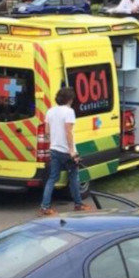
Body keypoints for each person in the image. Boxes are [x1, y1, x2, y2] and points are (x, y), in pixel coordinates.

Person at [39, 88, 91, 216]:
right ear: (70, 99)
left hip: (54, 149)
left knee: (52, 178)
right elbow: (68, 132)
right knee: (74, 177)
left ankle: (45, 207)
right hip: (66, 151)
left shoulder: (50, 111)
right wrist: (72, 151)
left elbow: (47, 132)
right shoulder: (69, 112)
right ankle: (78, 204)